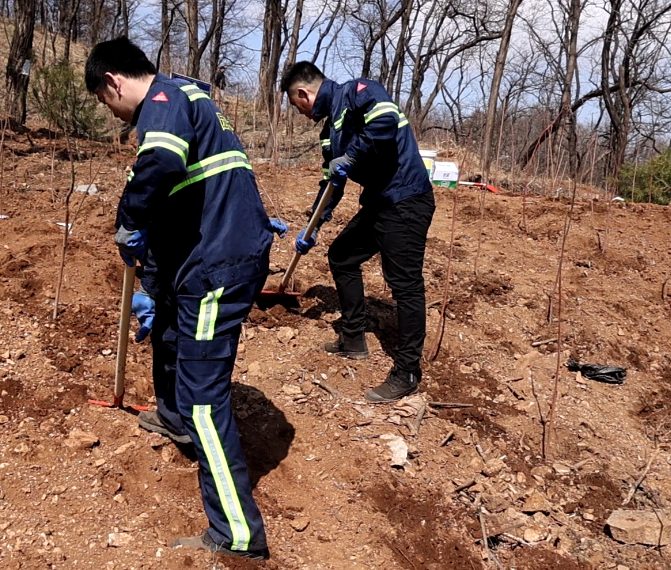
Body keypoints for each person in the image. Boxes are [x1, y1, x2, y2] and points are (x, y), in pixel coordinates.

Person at [85, 37, 286, 560]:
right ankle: (173, 417)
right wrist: (152, 285)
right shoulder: (190, 101)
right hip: (205, 255)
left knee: (204, 399)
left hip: (216, 269)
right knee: (168, 332)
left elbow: (160, 166)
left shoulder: (163, 101)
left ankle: (237, 534)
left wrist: (128, 219)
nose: (113, 114)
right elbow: (182, 203)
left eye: (106, 103)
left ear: (113, 83)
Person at [280, 61, 435, 403]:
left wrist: (350, 156)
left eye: (295, 104)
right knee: (341, 256)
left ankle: (407, 371)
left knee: (405, 284)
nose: (300, 113)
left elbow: (385, 121)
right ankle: (353, 338)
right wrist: (314, 225)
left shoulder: (358, 92)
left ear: (303, 94)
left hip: (406, 199)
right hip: (379, 203)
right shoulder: (328, 133)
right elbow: (331, 183)